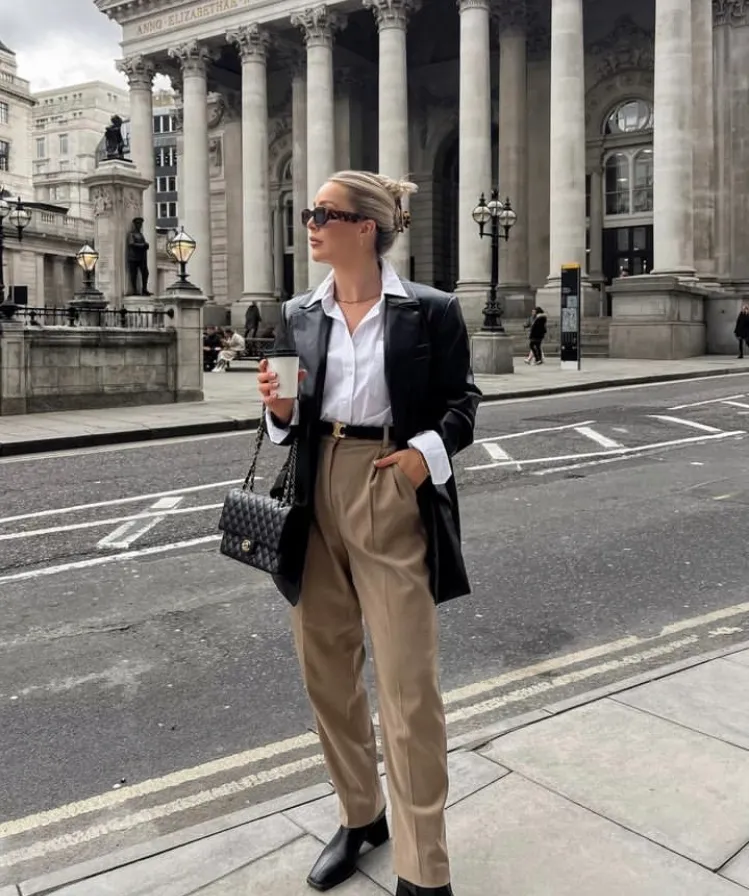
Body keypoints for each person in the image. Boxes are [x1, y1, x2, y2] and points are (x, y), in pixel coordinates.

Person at [257, 170, 480, 896]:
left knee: (407, 688)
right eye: (309, 212)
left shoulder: (430, 310)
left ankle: (425, 870)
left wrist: (422, 458)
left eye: (324, 212)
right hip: (314, 487)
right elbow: (282, 423)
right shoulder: (299, 312)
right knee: (326, 675)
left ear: (365, 228)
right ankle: (361, 816)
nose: (309, 223)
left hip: (390, 479)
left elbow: (461, 404)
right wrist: (279, 411)